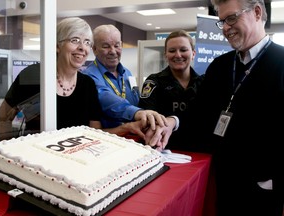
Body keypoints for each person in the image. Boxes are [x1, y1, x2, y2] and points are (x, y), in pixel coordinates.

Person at [0, 17, 155, 142]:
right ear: (57, 46)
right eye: (74, 40)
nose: (82, 47)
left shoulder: (87, 84)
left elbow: (95, 134)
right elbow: (4, 121)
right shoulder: (33, 75)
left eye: (87, 42)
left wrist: (126, 128)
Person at [193, 0, 284, 215]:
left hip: (264, 191)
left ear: (257, 12)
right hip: (223, 184)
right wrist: (172, 122)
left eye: (232, 18)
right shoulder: (219, 66)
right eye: (222, 21)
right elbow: (199, 116)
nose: (225, 28)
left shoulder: (282, 63)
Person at [82, 24, 172, 129]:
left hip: (136, 136)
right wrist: (137, 113)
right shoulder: (88, 76)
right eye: (106, 46)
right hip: (111, 139)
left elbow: (138, 100)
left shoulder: (127, 73)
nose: (113, 51)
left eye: (117, 45)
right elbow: (105, 98)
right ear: (95, 49)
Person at [138, 30, 204, 151]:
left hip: (199, 151)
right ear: (165, 55)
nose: (178, 55)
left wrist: (174, 120)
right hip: (165, 151)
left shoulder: (205, 83)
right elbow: (147, 119)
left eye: (183, 50)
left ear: (193, 53)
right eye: (172, 51)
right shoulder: (154, 82)